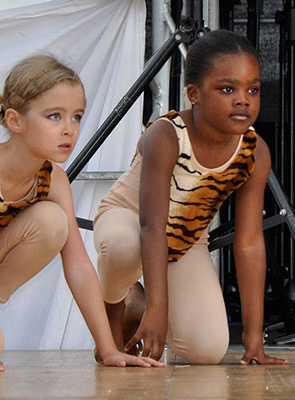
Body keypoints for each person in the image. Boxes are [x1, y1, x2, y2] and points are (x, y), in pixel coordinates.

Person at [0, 54, 164, 371]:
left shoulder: (54, 180)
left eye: (76, 117)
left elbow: (78, 265)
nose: (69, 130)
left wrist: (108, 349)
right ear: (15, 120)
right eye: (54, 116)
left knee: (52, 222)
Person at [93, 29, 289, 365]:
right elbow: (151, 226)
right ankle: (115, 307)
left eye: (252, 89)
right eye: (227, 89)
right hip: (130, 218)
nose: (243, 100)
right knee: (124, 248)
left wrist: (253, 337)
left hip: (185, 239)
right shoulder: (167, 135)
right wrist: (159, 309)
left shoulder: (254, 152)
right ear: (193, 93)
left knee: (207, 350)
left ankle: (138, 306)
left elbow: (249, 242)